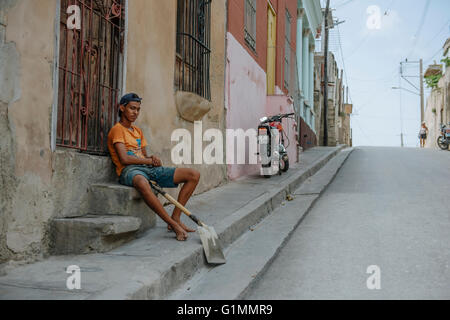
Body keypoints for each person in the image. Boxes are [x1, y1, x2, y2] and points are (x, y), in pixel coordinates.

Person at [107, 93, 200, 241]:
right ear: (122, 108)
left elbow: (144, 156)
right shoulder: (117, 130)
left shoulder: (137, 131)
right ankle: (172, 224)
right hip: (129, 170)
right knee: (142, 182)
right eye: (132, 108)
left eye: (138, 109)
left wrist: (152, 159)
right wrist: (148, 161)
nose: (135, 112)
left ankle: (176, 217)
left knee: (193, 175)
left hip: (147, 168)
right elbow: (124, 159)